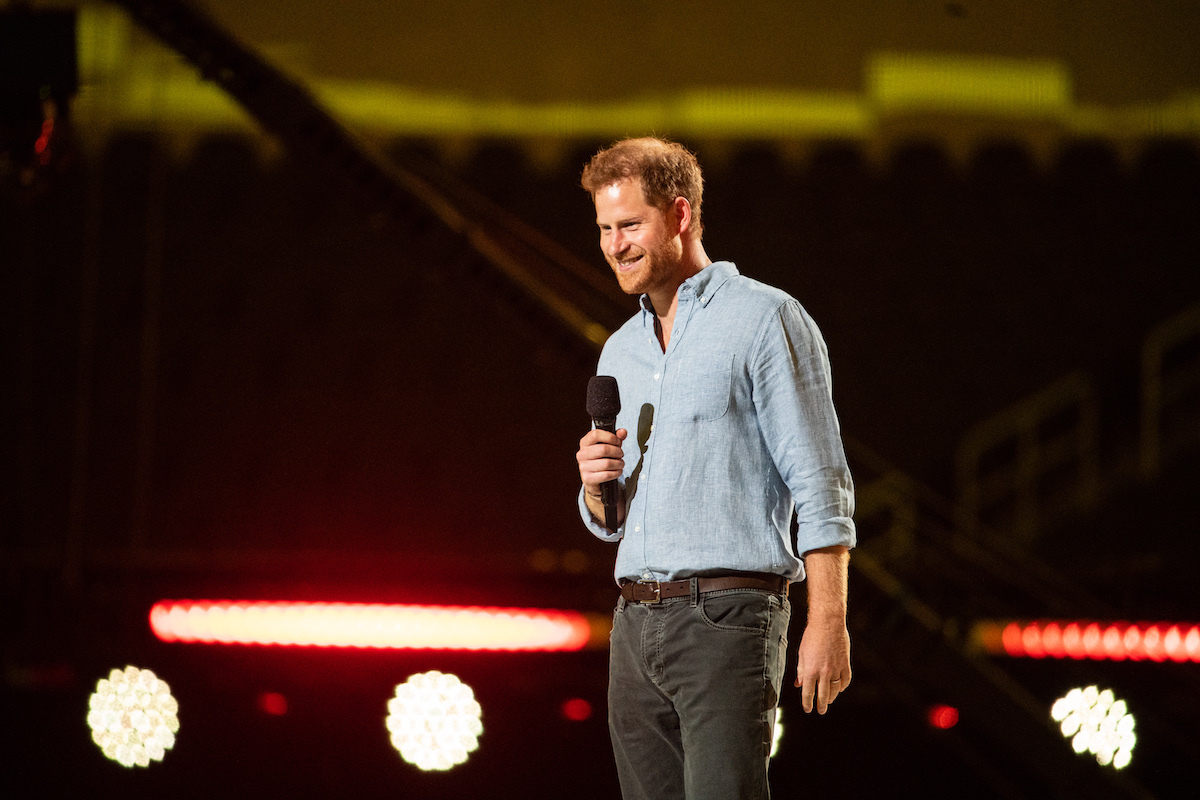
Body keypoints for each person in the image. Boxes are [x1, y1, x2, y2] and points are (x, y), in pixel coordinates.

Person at [574, 137, 856, 800]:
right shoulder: (619, 350)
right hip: (635, 624)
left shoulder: (764, 319)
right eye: (604, 230)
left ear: (679, 215)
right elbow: (616, 522)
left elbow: (820, 480)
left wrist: (828, 619)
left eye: (630, 225)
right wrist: (595, 491)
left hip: (728, 620)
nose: (615, 245)